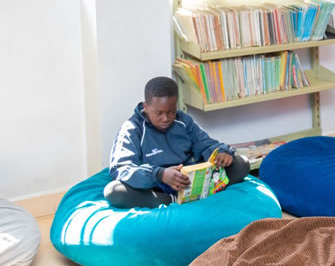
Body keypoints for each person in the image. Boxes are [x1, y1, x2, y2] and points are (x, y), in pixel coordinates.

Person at [105, 76, 250, 209]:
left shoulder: (183, 120)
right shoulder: (131, 129)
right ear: (146, 107)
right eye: (158, 113)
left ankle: (197, 194)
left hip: (189, 182)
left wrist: (222, 153)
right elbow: (121, 168)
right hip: (156, 186)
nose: (166, 118)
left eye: (171, 112)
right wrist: (160, 174)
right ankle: (169, 200)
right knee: (114, 192)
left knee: (241, 163)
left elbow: (207, 143)